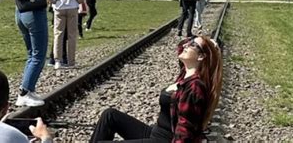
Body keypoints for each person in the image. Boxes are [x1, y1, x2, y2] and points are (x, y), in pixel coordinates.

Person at [90, 35, 223, 143]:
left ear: (201, 57)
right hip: (154, 132)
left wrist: (211, 50)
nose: (187, 45)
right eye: (190, 41)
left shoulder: (194, 87)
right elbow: (180, 46)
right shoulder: (185, 73)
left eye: (193, 45)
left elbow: (185, 130)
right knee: (110, 115)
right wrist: (202, 42)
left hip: (165, 140)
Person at [49, 0, 91, 70]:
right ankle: (71, 61)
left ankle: (57, 61)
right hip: (73, 6)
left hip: (59, 6)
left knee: (58, 34)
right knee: (72, 35)